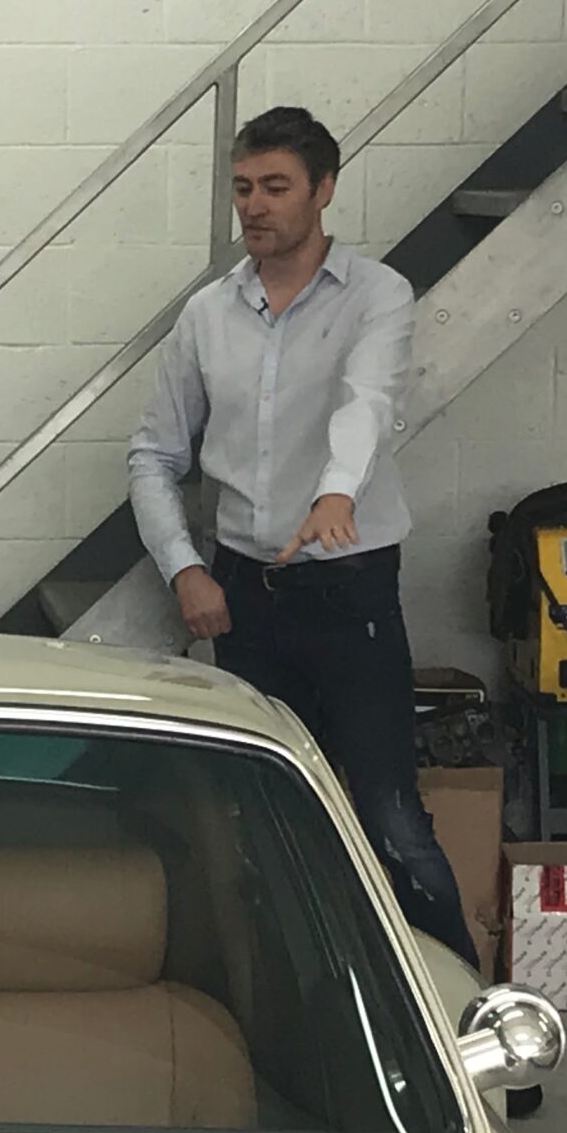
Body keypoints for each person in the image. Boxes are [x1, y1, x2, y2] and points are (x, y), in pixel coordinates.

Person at [127, 105, 479, 965]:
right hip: (245, 598)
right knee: (262, 820)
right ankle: (302, 1004)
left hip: (351, 591)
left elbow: (368, 404)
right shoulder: (207, 316)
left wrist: (334, 495)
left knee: (391, 819)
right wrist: (185, 570)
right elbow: (154, 457)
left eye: (276, 187)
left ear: (323, 190)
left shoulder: (377, 296)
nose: (254, 205)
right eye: (243, 187)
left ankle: (462, 1011)